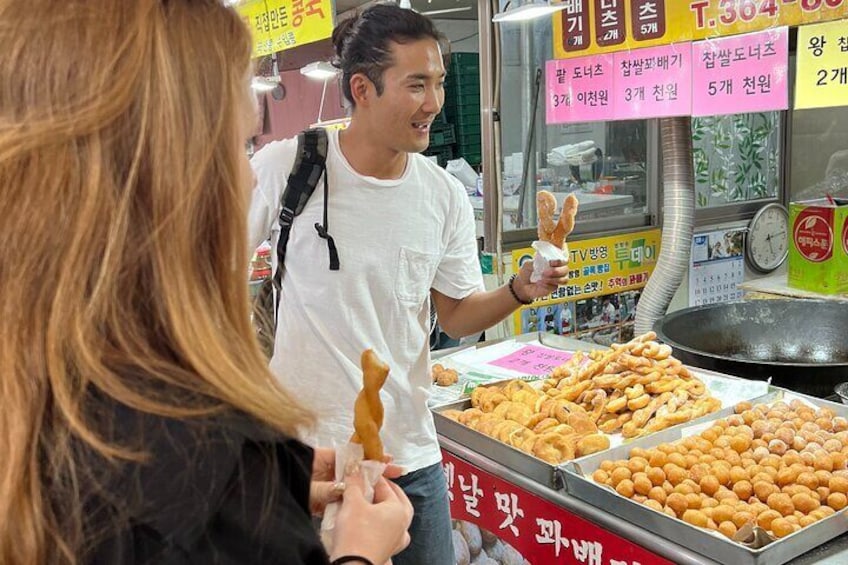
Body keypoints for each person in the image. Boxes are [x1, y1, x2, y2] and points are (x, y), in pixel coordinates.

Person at [0, 1, 413, 564]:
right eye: (240, 146)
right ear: (163, 178)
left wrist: (278, 477)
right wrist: (360, 554)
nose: (247, 179)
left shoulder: (44, 390)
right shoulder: (190, 452)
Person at [248, 4, 569, 563]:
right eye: (416, 84)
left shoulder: (440, 193)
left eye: (440, 83)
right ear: (362, 89)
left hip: (408, 455)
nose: (434, 104)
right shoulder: (289, 167)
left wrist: (519, 289)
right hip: (305, 452)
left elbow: (455, 316)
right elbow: (203, 283)